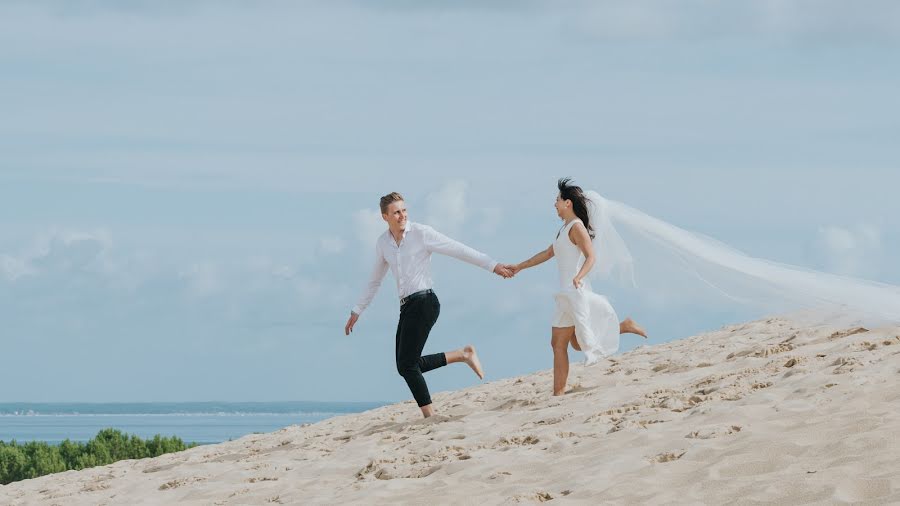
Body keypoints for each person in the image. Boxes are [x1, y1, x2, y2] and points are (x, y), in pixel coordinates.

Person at [345, 191, 515, 418]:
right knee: (406, 365)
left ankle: (430, 416)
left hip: (425, 302)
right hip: (406, 306)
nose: (402, 215)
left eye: (404, 210)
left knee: (407, 366)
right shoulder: (383, 243)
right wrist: (357, 310)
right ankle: (462, 354)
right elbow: (375, 280)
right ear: (385, 216)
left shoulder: (421, 233)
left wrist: (492, 265)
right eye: (396, 212)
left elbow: (458, 249)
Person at [510, 178, 646, 396]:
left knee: (562, 343)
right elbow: (547, 254)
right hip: (564, 294)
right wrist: (519, 266)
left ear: (568, 203)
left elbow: (591, 256)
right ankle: (622, 326)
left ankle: (558, 393)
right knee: (568, 343)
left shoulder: (576, 227)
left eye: (557, 200)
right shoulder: (563, 229)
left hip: (574, 292)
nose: (554, 204)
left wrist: (579, 276)